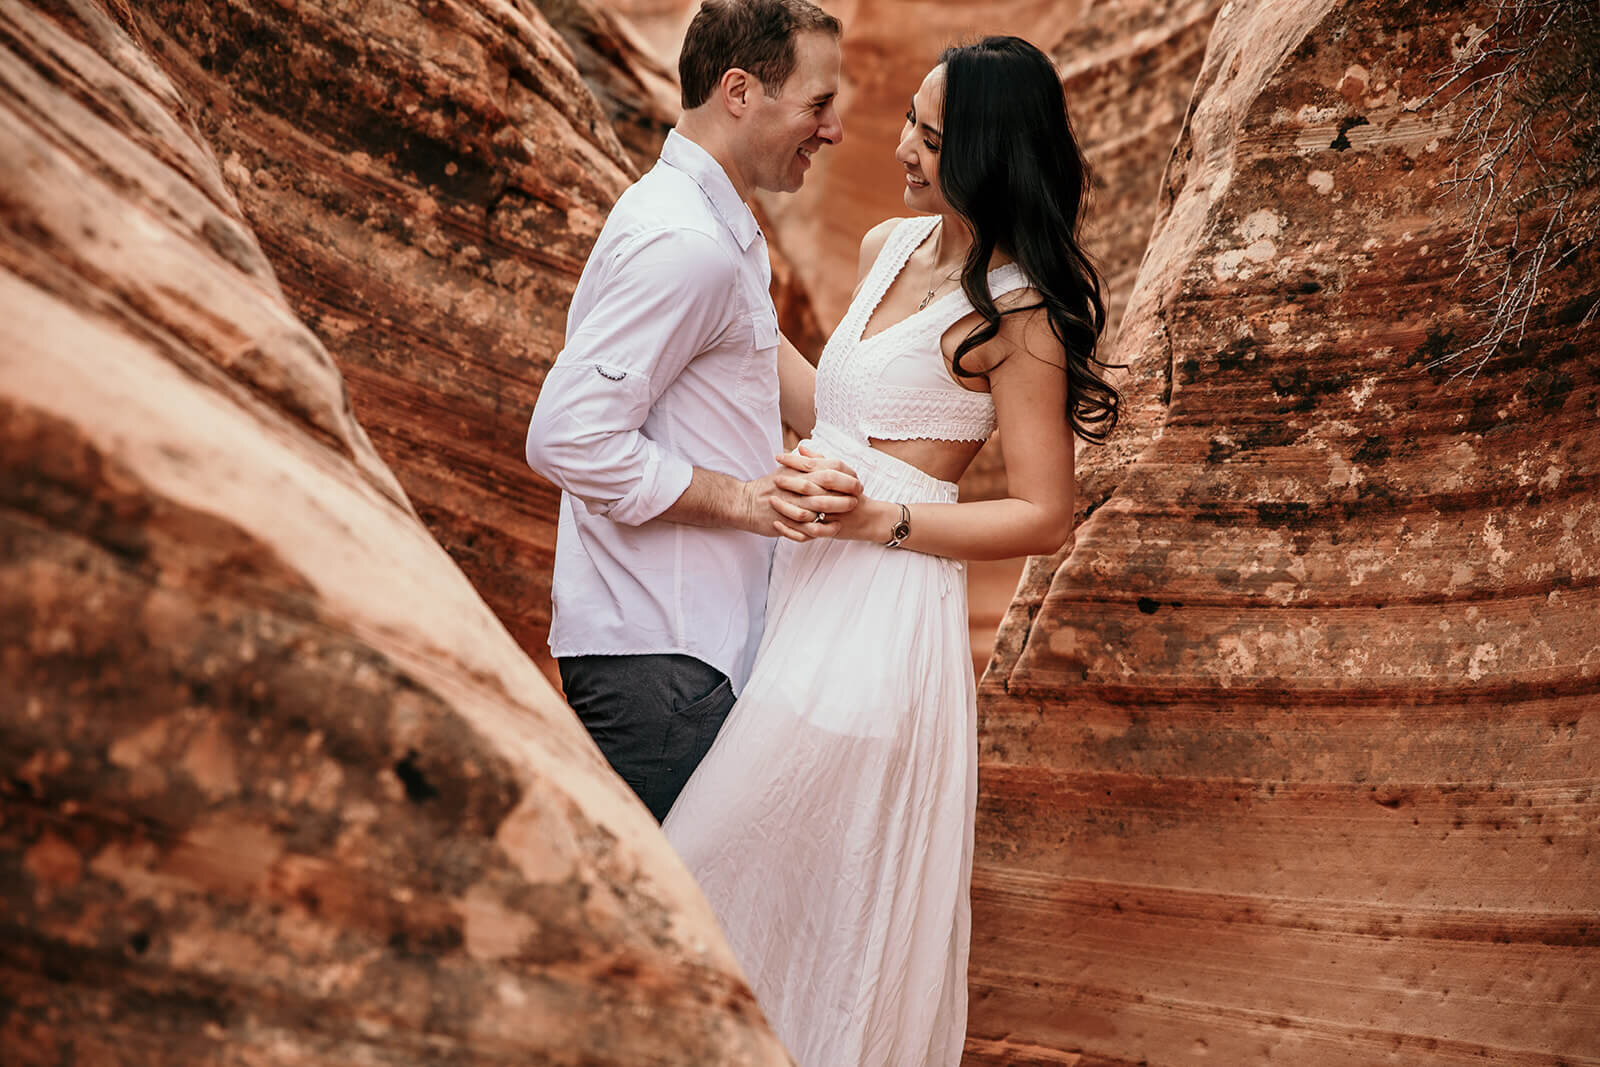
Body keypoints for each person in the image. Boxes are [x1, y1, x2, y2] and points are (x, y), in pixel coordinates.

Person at [662, 36, 1120, 1065]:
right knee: (753, 880)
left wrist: (881, 520)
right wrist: (720, 270)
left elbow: (1046, 513)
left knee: (724, 862)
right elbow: (829, 407)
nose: (905, 146)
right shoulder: (884, 247)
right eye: (911, 119)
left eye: (932, 134)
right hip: (793, 587)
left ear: (989, 156)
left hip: (880, 621)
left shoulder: (1019, 310)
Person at [524, 0, 861, 823]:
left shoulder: (717, 230)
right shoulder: (687, 246)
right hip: (663, 663)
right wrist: (746, 500)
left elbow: (795, 390)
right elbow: (568, 435)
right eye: (817, 105)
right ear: (739, 91)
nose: (834, 131)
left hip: (685, 657)